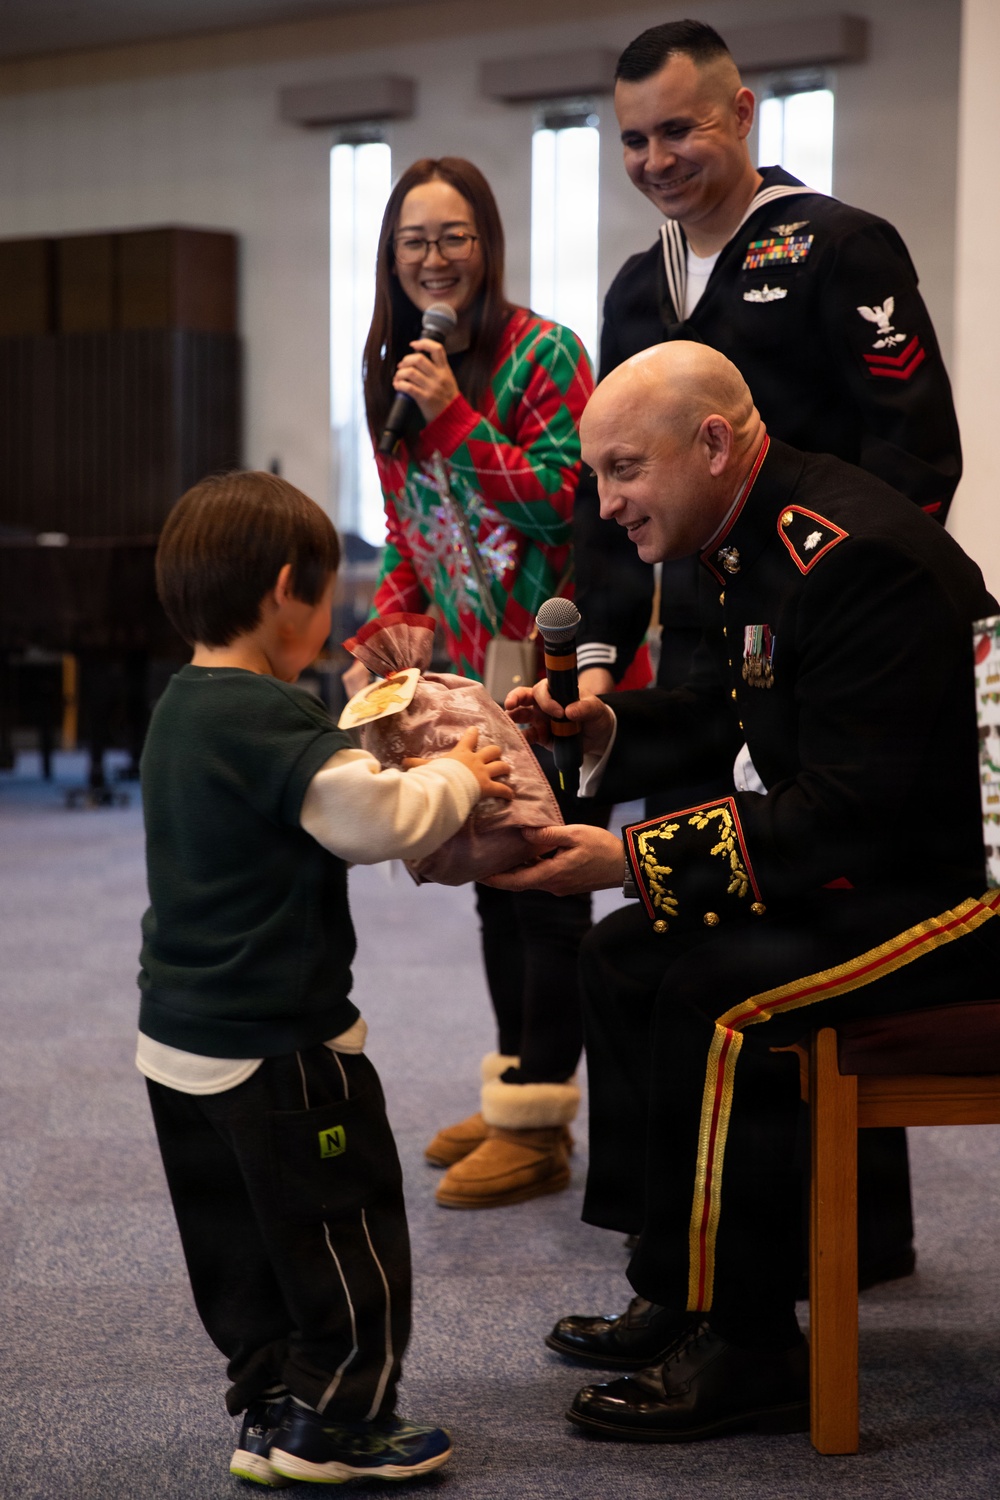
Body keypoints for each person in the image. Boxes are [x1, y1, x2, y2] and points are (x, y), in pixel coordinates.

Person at [492, 342, 999, 1443]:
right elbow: (741, 716)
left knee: (721, 999)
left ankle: (753, 1343)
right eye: (599, 476)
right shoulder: (747, 534)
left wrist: (630, 861)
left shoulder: (850, 555)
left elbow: (833, 818)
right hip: (867, 863)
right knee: (621, 957)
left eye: (625, 469)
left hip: (962, 897)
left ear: (711, 443)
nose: (608, 503)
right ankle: (675, 1284)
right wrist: (602, 727)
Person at [573, 16, 956, 1281]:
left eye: (678, 128)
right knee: (677, 918)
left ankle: (845, 1242)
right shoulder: (642, 287)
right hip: (709, 643)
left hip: (836, 625)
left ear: (742, 115)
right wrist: (598, 674)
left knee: (793, 910)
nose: (656, 157)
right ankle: (678, 1262)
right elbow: (613, 496)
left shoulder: (836, 245)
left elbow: (914, 447)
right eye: (632, 138)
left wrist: (839, 605)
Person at [136, 470, 514, 1486]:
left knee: (240, 1240)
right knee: (342, 1227)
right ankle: (338, 1420)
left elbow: (286, 787)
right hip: (281, 1046)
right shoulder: (270, 724)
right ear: (286, 590)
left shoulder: (183, 707)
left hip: (177, 1042)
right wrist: (460, 776)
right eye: (330, 590)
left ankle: (268, 1400)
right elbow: (371, 820)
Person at [356, 155, 610, 1210]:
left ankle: (543, 1118)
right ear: (393, 256)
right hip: (458, 675)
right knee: (486, 881)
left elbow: (568, 503)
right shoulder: (391, 368)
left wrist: (459, 416)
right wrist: (385, 622)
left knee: (545, 891)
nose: (434, 257)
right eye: (415, 239)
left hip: (551, 670)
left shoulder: (547, 352)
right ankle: (517, 1089)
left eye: (453, 236)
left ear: (487, 245)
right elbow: (410, 535)